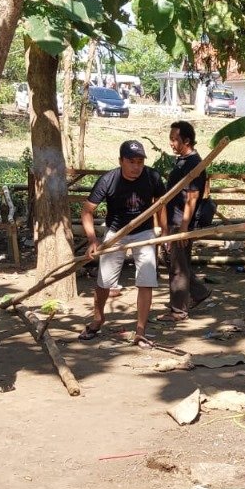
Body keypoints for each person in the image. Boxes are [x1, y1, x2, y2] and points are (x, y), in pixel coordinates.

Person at [79, 140, 167, 345]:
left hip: (144, 233)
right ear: (121, 161)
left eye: (140, 162)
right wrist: (92, 239)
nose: (136, 167)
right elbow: (87, 211)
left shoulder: (152, 177)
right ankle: (98, 319)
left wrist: (164, 231)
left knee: (146, 281)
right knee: (104, 282)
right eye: (131, 162)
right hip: (116, 233)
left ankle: (140, 330)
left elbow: (161, 204)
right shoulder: (108, 180)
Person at [162, 120, 211, 321]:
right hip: (174, 219)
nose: (171, 143)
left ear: (187, 141)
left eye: (175, 139)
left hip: (181, 221)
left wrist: (183, 227)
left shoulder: (193, 163)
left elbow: (192, 196)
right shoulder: (183, 160)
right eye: (171, 139)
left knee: (178, 268)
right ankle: (199, 292)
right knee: (173, 261)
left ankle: (178, 311)